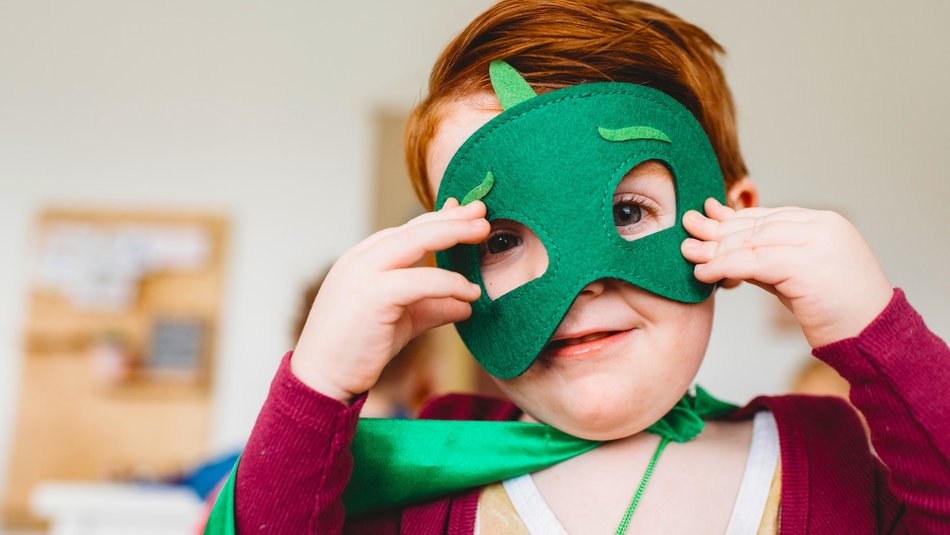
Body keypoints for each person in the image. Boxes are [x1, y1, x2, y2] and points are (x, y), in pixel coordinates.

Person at [207, 1, 950, 533]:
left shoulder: (832, 454)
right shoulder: (423, 469)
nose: (581, 283)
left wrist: (878, 331)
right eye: (500, 241)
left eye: (628, 213)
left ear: (736, 220)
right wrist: (317, 383)